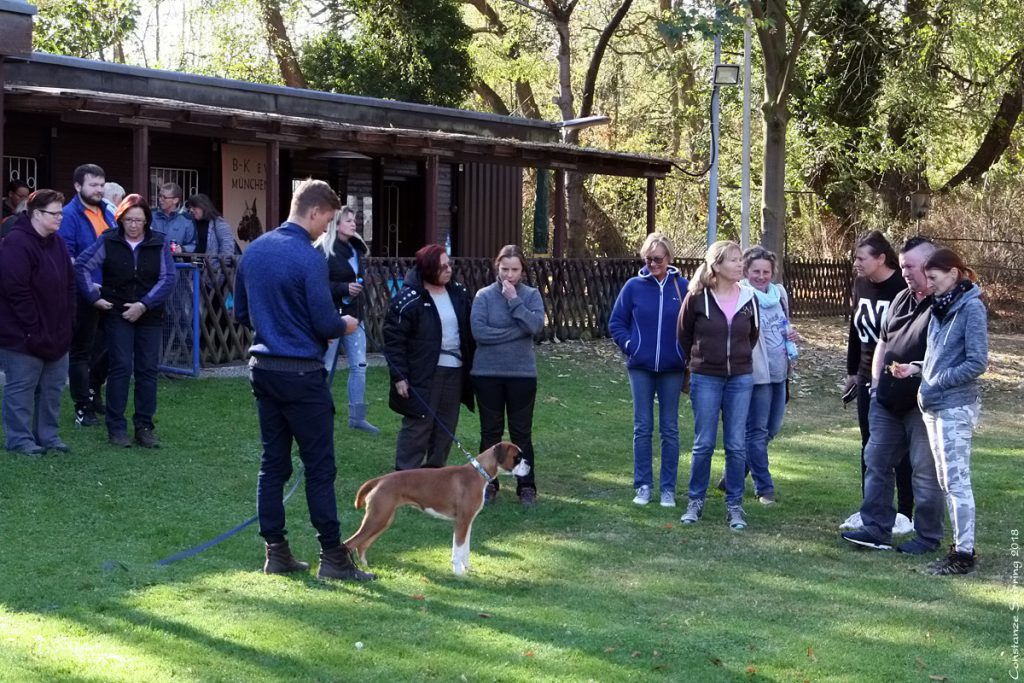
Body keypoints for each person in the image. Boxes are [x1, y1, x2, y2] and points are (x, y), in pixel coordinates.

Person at [234, 178, 374, 581]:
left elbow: (241, 313)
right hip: (302, 374)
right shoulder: (308, 256)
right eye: (327, 221)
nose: (325, 229)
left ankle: (275, 551)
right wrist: (344, 324)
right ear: (313, 212)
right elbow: (324, 321)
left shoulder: (255, 249)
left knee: (272, 464)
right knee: (319, 467)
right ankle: (332, 557)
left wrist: (275, 326)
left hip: (263, 371)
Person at [842, 237, 945, 554]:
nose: (906, 273)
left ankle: (927, 536)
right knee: (876, 462)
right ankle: (876, 528)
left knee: (925, 473)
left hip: (923, 404)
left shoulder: (945, 304)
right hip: (885, 400)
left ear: (930, 266)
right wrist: (875, 385)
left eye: (910, 267)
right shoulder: (901, 298)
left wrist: (917, 372)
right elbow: (882, 344)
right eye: (902, 267)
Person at [892, 248, 988, 575]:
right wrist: (916, 369)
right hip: (932, 404)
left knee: (957, 481)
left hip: (955, 406)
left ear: (953, 273)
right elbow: (937, 357)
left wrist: (939, 381)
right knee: (946, 481)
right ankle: (959, 548)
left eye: (933, 278)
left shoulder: (971, 309)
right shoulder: (940, 309)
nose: (929, 284)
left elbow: (976, 362)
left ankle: (964, 554)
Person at [75, 194, 175, 448]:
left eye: (139, 220)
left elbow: (167, 279)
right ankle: (116, 427)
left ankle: (144, 427)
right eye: (129, 220)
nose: (133, 225)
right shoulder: (109, 240)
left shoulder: (158, 243)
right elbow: (83, 266)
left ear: (147, 221)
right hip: (117, 311)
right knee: (120, 367)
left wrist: (144, 305)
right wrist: (93, 297)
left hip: (148, 314)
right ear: (120, 219)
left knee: (147, 370)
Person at [677, 240, 759, 530]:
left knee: (736, 445)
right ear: (717, 266)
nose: (741, 264)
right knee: (704, 443)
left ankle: (735, 505)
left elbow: (752, 336)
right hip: (705, 377)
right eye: (734, 260)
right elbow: (684, 335)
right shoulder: (697, 297)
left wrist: (737, 361)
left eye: (741, 260)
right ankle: (695, 501)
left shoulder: (749, 298)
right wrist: (701, 362)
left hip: (740, 377)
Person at [840, 230, 914, 535]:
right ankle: (871, 507)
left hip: (896, 377)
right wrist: (852, 371)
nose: (856, 263)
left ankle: (905, 512)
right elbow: (856, 331)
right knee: (869, 445)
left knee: (900, 448)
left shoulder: (902, 288)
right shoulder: (860, 284)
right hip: (866, 376)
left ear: (881, 259)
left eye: (861, 258)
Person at [609, 233, 688, 508]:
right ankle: (643, 485)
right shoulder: (633, 286)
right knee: (642, 427)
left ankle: (668, 488)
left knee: (670, 428)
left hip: (672, 368)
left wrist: (683, 353)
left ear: (669, 258)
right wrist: (631, 346)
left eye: (657, 259)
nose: (652, 264)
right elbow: (616, 322)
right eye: (648, 259)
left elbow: (692, 325)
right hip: (640, 367)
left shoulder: (683, 287)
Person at [384, 244, 475, 471]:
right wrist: (399, 376)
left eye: (449, 264)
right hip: (423, 373)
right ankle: (404, 477)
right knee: (419, 425)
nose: (448, 270)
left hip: (454, 371)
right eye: (442, 266)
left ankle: (434, 477)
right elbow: (394, 341)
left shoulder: (459, 294)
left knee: (446, 426)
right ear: (427, 269)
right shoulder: (408, 300)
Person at [0, 189, 75, 455]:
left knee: (52, 389)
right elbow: (16, 291)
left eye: (61, 214)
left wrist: (66, 324)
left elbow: (68, 283)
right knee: (21, 387)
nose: (59, 219)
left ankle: (48, 436)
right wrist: (33, 330)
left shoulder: (58, 243)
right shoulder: (16, 243)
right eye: (54, 214)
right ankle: (20, 440)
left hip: (56, 332)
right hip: (22, 335)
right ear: (35, 214)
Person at [471, 244, 545, 506]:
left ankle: (526, 486)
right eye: (505, 270)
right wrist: (517, 331)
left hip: (522, 375)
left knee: (521, 433)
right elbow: (479, 332)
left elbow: (535, 326)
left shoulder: (531, 295)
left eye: (514, 270)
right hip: (487, 373)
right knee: (490, 432)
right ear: (497, 268)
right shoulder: (483, 296)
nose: (509, 275)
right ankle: (488, 484)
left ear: (522, 270)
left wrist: (514, 300)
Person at [58, 163, 117, 428]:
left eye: (101, 185)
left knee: (111, 347)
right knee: (81, 351)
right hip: (83, 293)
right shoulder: (69, 215)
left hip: (111, 290)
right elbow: (67, 256)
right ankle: (83, 406)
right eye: (93, 185)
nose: (98, 190)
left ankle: (94, 389)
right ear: (77, 186)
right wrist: (87, 287)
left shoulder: (108, 211)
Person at [740, 246, 799, 505]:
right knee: (757, 430)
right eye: (756, 271)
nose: (761, 276)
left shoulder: (779, 294)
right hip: (757, 373)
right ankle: (764, 488)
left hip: (780, 370)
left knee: (772, 428)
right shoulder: (742, 295)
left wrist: (792, 335)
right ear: (746, 271)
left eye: (766, 271)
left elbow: (784, 323)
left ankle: (734, 474)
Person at [316, 206, 378, 434]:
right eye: (349, 220)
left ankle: (357, 417)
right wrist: (342, 288)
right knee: (325, 366)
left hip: (356, 315)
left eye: (355, 220)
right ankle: (317, 412)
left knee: (360, 365)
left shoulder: (355, 249)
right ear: (336, 224)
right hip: (331, 316)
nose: (354, 224)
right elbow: (318, 286)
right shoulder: (324, 250)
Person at [151, 182, 197, 253]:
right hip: (154, 260)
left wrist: (182, 249)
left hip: (176, 262)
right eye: (160, 196)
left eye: (164, 197)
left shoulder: (187, 219)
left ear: (175, 200)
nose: (160, 199)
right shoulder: (151, 215)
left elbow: (193, 246)